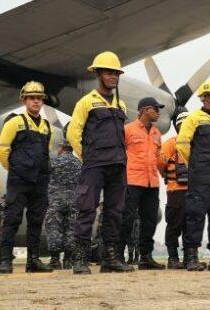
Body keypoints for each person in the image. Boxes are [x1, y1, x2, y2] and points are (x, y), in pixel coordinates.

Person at [66, 52, 133, 275]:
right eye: (108, 72)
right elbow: (74, 132)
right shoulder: (86, 102)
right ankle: (80, 259)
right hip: (94, 164)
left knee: (115, 212)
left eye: (116, 73)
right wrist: (87, 156)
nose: (112, 76)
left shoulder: (122, 105)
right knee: (87, 210)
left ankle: (110, 258)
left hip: (118, 164)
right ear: (97, 74)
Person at [0, 81, 54, 274]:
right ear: (24, 100)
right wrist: (14, 169)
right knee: (12, 219)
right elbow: (1, 149)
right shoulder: (14, 122)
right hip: (19, 181)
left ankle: (33, 261)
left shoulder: (46, 127)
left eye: (39, 99)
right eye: (32, 98)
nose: (36, 102)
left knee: (36, 221)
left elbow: (48, 151)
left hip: (40, 181)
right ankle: (5, 260)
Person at [177, 81, 210, 271]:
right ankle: (191, 256)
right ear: (206, 97)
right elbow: (182, 144)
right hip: (202, 176)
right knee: (195, 215)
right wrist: (195, 166)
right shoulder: (193, 119)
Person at [120, 97, 165, 270]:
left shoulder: (156, 133)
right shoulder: (128, 130)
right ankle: (118, 255)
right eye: (156, 108)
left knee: (150, 221)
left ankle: (146, 257)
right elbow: (119, 152)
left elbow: (157, 156)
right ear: (145, 110)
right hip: (132, 181)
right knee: (127, 219)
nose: (159, 112)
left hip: (152, 183)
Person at [45, 134, 81, 270]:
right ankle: (68, 260)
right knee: (71, 229)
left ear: (61, 148)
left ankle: (55, 260)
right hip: (74, 201)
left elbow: (45, 176)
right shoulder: (79, 164)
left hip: (56, 201)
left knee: (54, 228)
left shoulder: (55, 161)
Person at [159, 110, 189, 269]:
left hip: (193, 191)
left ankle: (190, 257)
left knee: (191, 225)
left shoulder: (196, 145)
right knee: (174, 224)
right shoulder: (171, 143)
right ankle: (173, 257)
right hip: (176, 190)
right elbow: (161, 163)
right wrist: (168, 176)